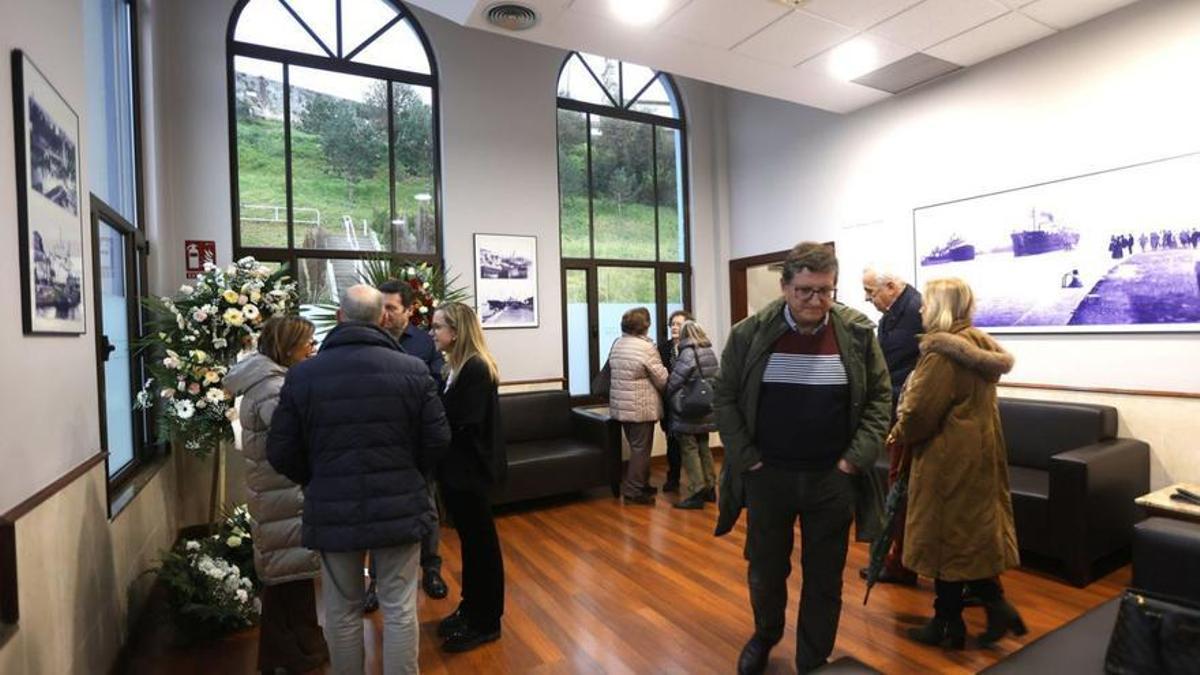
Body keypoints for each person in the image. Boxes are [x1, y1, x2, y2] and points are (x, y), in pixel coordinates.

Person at [714, 242, 890, 675]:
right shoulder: (750, 333)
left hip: (832, 479)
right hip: (767, 477)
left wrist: (853, 461)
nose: (816, 301)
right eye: (805, 291)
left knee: (825, 578)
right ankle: (766, 634)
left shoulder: (858, 333)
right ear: (785, 287)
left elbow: (881, 399)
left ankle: (814, 659)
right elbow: (725, 396)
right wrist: (747, 459)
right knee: (766, 569)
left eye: (825, 291)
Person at [267, 285, 450, 675]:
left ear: (339, 316)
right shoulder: (413, 371)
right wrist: (408, 473)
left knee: (342, 609)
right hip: (400, 504)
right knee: (400, 607)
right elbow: (437, 440)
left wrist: (317, 478)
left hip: (332, 505)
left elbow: (281, 450)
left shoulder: (302, 376)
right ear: (383, 318)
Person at [888, 277, 1024, 650]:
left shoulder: (941, 353)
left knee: (944, 537)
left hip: (946, 459)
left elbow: (920, 414)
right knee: (965, 536)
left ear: (939, 307)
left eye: (925, 302)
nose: (919, 308)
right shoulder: (978, 344)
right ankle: (990, 608)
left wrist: (899, 432)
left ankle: (948, 624)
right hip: (978, 455)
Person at [225, 316, 329, 674]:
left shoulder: (264, 379)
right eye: (308, 343)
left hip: (275, 495)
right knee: (289, 582)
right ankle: (296, 654)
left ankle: (297, 651)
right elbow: (290, 439)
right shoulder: (274, 387)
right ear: (287, 348)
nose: (313, 349)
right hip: (283, 495)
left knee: (288, 581)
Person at [360, 279, 448, 613]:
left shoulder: (425, 345)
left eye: (392, 308)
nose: (384, 315)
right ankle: (376, 582)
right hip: (378, 446)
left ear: (409, 311)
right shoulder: (368, 341)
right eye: (380, 307)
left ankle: (432, 570)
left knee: (427, 509)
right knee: (376, 515)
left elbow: (437, 390)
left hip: (416, 447)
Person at [429, 302, 508, 653]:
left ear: (456, 332)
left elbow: (462, 421)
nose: (432, 333)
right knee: (471, 546)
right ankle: (471, 608)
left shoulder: (475, 368)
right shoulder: (458, 366)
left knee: (482, 547)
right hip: (460, 471)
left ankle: (486, 621)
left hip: (471, 472)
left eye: (437, 327)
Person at [860, 267, 923, 586]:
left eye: (871, 291)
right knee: (895, 487)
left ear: (891, 286)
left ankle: (902, 562)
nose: (868, 298)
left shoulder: (916, 311)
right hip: (895, 411)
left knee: (901, 489)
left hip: (909, 416)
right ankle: (899, 559)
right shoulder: (890, 317)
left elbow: (921, 372)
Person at [609, 307, 669, 505]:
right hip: (640, 406)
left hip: (622, 406)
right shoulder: (645, 348)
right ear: (645, 326)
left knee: (637, 447)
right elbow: (661, 379)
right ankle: (634, 491)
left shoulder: (618, 344)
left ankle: (642, 484)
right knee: (641, 449)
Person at [665, 319, 719, 510]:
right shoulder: (709, 351)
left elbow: (675, 382)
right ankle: (711, 487)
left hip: (688, 409)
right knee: (703, 445)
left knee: (689, 448)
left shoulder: (687, 353)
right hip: (705, 407)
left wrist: (670, 396)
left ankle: (697, 491)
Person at [658, 310, 693, 494]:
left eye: (679, 324)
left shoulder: (694, 347)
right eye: (672, 324)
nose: (674, 327)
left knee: (693, 443)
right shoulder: (664, 348)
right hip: (670, 401)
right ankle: (673, 478)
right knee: (672, 442)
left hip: (690, 402)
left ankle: (701, 483)